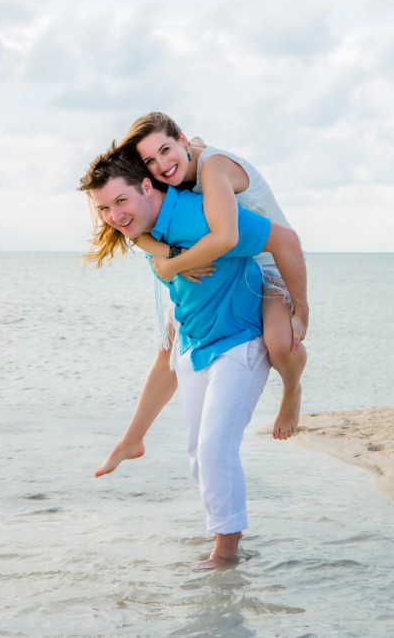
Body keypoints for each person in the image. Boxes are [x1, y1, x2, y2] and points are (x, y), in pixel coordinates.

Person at [79, 144, 305, 566]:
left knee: (216, 447)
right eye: (105, 208)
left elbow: (283, 239)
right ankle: (220, 531)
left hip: (240, 338)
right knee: (198, 451)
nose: (114, 215)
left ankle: (226, 555)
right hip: (198, 342)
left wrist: (300, 309)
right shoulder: (144, 227)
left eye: (121, 201)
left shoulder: (199, 214)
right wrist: (168, 257)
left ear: (148, 186)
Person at [120, 113, 308, 441]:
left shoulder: (212, 167)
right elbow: (136, 233)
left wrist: (301, 311)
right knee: (170, 341)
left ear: (182, 138)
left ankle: (292, 389)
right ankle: (133, 438)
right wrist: (173, 257)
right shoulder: (170, 178)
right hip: (229, 263)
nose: (162, 164)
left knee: (279, 343)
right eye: (150, 160)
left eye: (165, 150)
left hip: (271, 259)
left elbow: (226, 237)